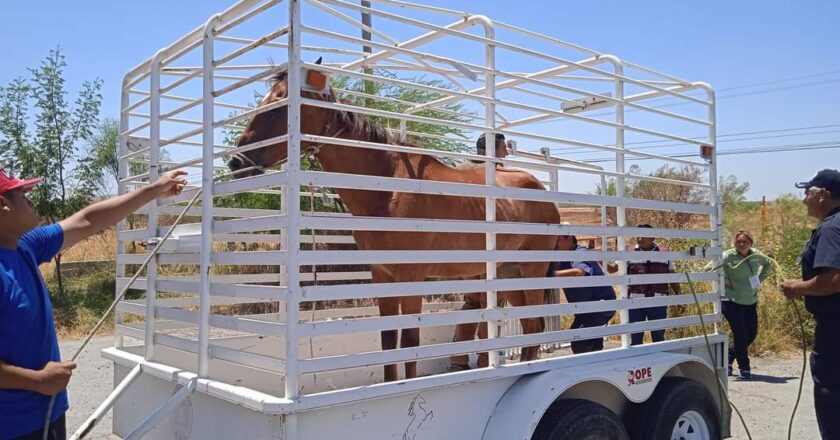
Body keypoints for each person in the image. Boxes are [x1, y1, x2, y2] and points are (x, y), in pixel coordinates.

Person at [0, 167, 187, 440]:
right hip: (13, 426)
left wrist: (153, 190)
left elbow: (88, 219)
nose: (31, 201)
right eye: (23, 195)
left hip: (47, 414)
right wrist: (37, 381)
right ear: (3, 205)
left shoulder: (25, 246)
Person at [780, 169, 840, 439]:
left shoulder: (831, 228)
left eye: (807, 193)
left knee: (831, 395)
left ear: (822, 195)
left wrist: (797, 287)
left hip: (835, 329)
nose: (804, 200)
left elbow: (832, 280)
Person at [449, 132, 510, 370]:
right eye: (503, 148)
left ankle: (458, 359)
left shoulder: (459, 170)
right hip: (490, 250)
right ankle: (487, 360)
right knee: (491, 304)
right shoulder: (496, 175)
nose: (506, 152)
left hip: (464, 254)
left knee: (473, 303)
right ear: (494, 150)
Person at [717, 230, 772, 380]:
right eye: (739, 241)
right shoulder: (728, 256)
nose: (742, 244)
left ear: (750, 243)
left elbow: (768, 264)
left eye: (745, 242)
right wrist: (725, 280)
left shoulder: (756, 255)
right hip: (732, 301)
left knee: (751, 333)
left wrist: (760, 279)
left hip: (750, 300)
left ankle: (728, 357)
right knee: (741, 335)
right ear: (734, 243)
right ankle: (744, 368)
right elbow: (709, 268)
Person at [550, 232, 616, 354]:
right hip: (585, 309)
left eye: (558, 240)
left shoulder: (580, 252)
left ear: (569, 238)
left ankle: (588, 367)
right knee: (590, 338)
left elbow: (579, 272)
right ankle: (597, 364)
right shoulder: (561, 256)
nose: (555, 243)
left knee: (579, 339)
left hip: (600, 305)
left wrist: (550, 275)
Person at [627, 224, 681, 346]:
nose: (640, 238)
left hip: (658, 301)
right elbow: (613, 268)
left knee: (658, 338)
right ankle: (637, 364)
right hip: (635, 302)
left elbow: (672, 276)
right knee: (635, 339)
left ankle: (657, 363)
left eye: (644, 235)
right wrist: (598, 257)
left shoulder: (664, 253)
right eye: (638, 235)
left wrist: (679, 297)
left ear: (652, 237)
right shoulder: (629, 252)